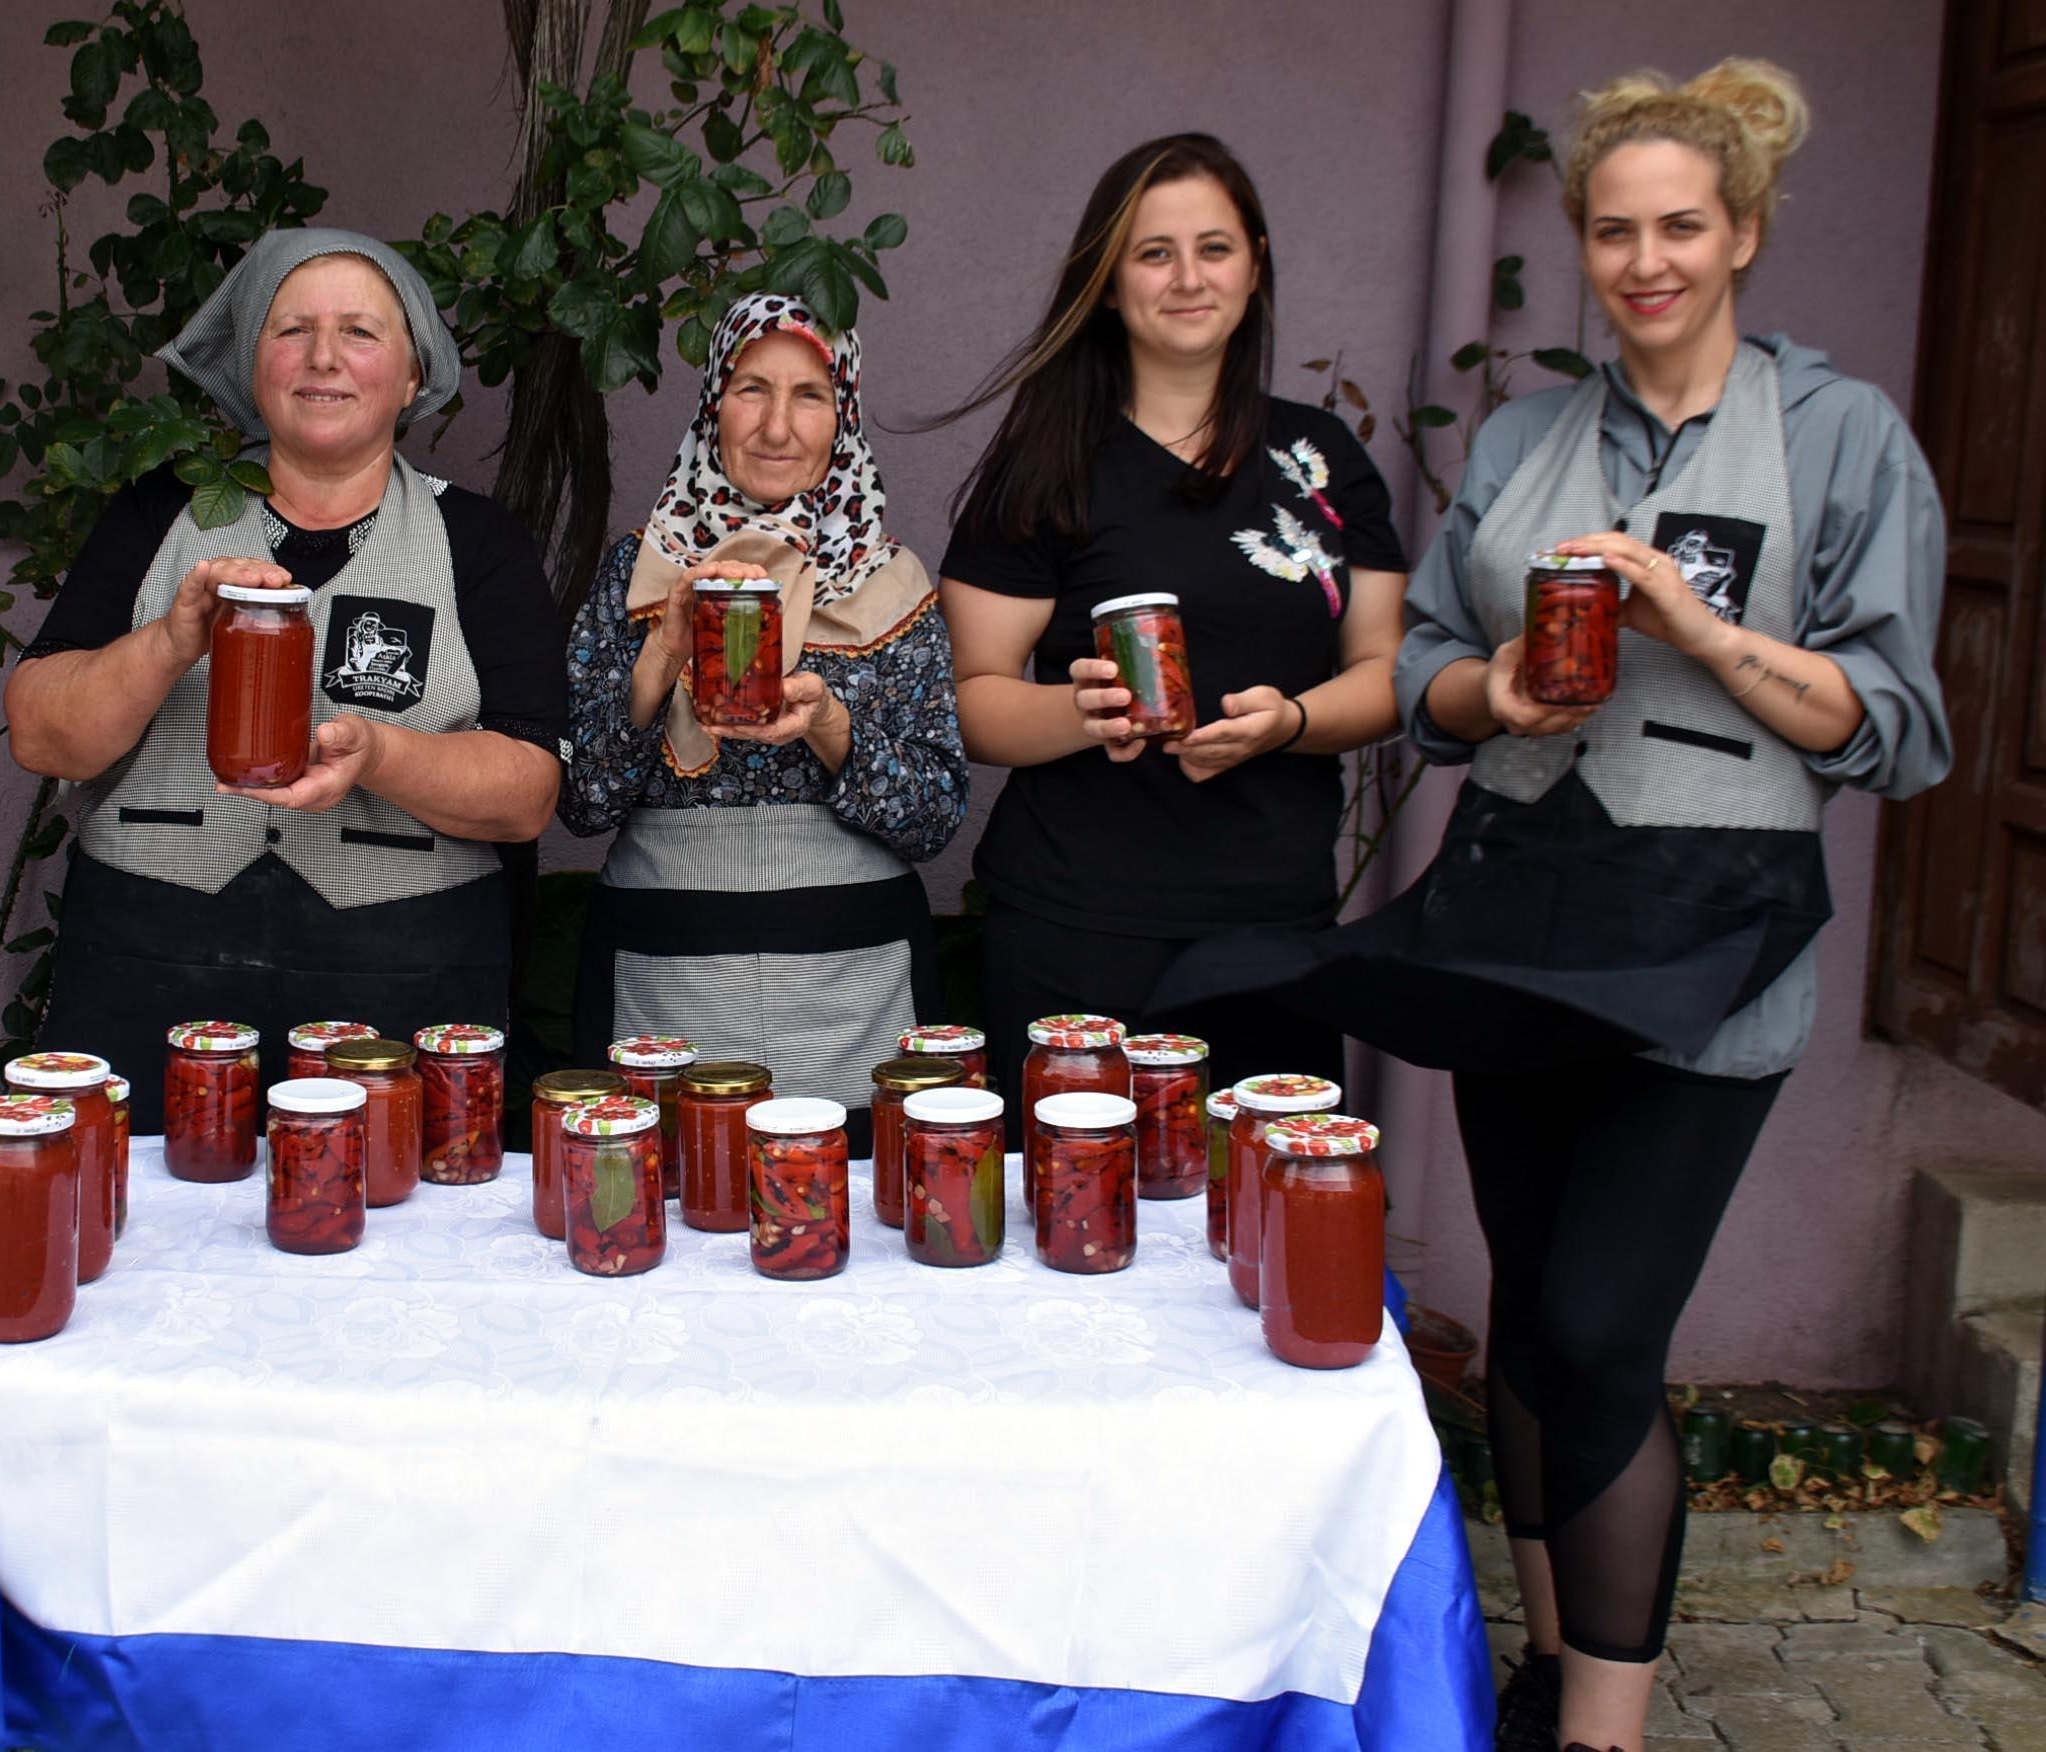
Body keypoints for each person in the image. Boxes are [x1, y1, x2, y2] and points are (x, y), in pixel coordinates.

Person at [1215, 63, 1947, 1752]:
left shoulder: (1837, 437)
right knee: (1536, 1320)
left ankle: (1607, 1737)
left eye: (1679, 225)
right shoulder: (1536, 438)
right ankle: (1555, 1668)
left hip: (1713, 941)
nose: (1644, 260)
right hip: (1527, 923)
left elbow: (1895, 724)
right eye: (1613, 230)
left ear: (1742, 233)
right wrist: (1489, 703)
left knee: (1610, 1326)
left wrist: (1698, 630)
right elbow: (1417, 677)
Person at [7, 230, 565, 1102]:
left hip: (402, 987)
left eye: (361, 333)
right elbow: (42, 735)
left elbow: (528, 794)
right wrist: (168, 640)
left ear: (412, 378)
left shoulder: (476, 542)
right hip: (147, 973)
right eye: (291, 330)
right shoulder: (159, 517)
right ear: (251, 366)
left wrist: (379, 757)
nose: (323, 359)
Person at [935, 134, 1408, 1109]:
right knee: (1075, 1229)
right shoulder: (1049, 461)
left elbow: (1386, 669)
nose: (1187, 278)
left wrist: (1295, 723)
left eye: (1214, 247)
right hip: (1077, 932)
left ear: (1255, 264)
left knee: (1263, 1236)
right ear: (1108, 284)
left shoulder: (1319, 458)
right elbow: (974, 699)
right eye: (1153, 253)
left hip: (1272, 930)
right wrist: (1083, 713)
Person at [558, 293, 965, 1143]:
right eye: (752, 388)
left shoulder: (892, 584)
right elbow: (583, 802)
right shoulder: (639, 572)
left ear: (843, 414)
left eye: (811, 394)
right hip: (665, 975)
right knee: (664, 1211)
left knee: (847, 1218)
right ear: (713, 403)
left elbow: (935, 816)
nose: (778, 425)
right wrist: (663, 654)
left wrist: (828, 726)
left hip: (854, 981)